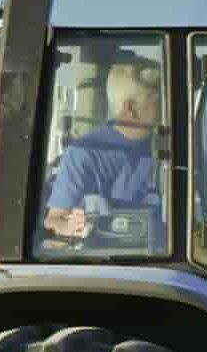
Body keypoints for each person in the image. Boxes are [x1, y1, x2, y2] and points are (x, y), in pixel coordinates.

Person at [38, 58, 171, 251]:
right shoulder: (84, 154)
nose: (166, 109)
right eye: (158, 101)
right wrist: (71, 226)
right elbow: (53, 224)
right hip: (111, 266)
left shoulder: (171, 145)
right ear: (131, 108)